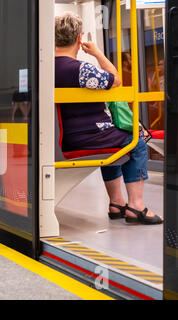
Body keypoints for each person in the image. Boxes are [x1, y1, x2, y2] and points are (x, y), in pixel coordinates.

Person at [55, 12, 162, 225]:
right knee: (136, 142)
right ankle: (136, 206)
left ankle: (117, 203)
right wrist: (98, 54)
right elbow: (115, 80)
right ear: (78, 39)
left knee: (112, 144)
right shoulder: (80, 69)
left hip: (66, 136)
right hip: (88, 136)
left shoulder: (43, 68)